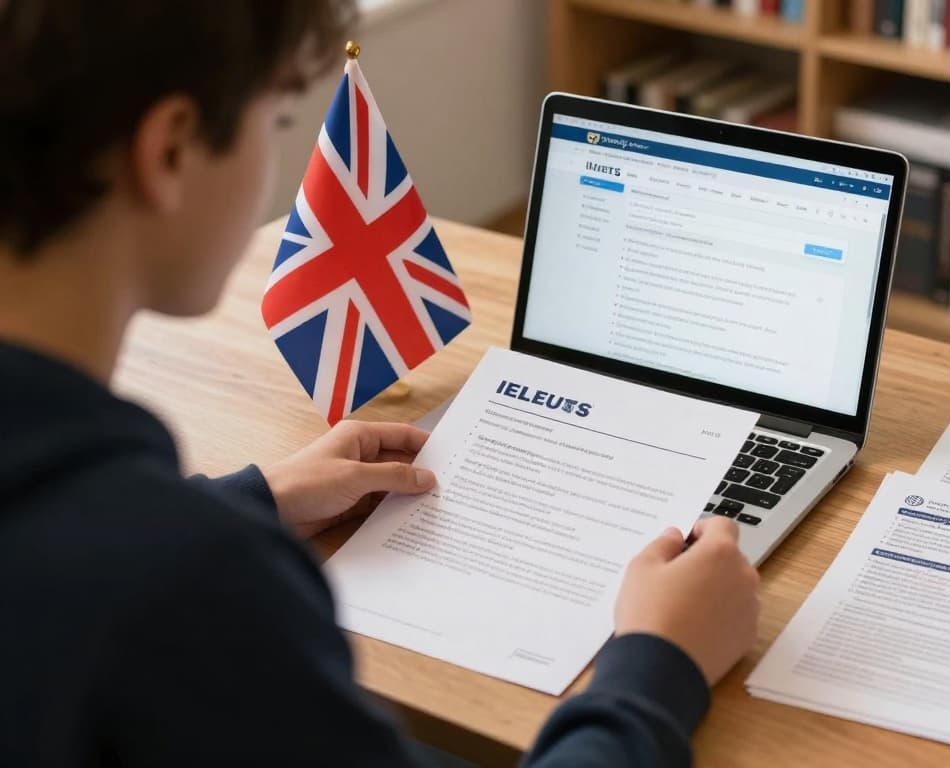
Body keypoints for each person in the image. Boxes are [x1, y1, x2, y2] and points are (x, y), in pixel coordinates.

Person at [0, 2, 762, 767]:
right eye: (280, 117)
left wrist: (256, 499)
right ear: (167, 151)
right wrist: (659, 664)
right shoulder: (188, 586)